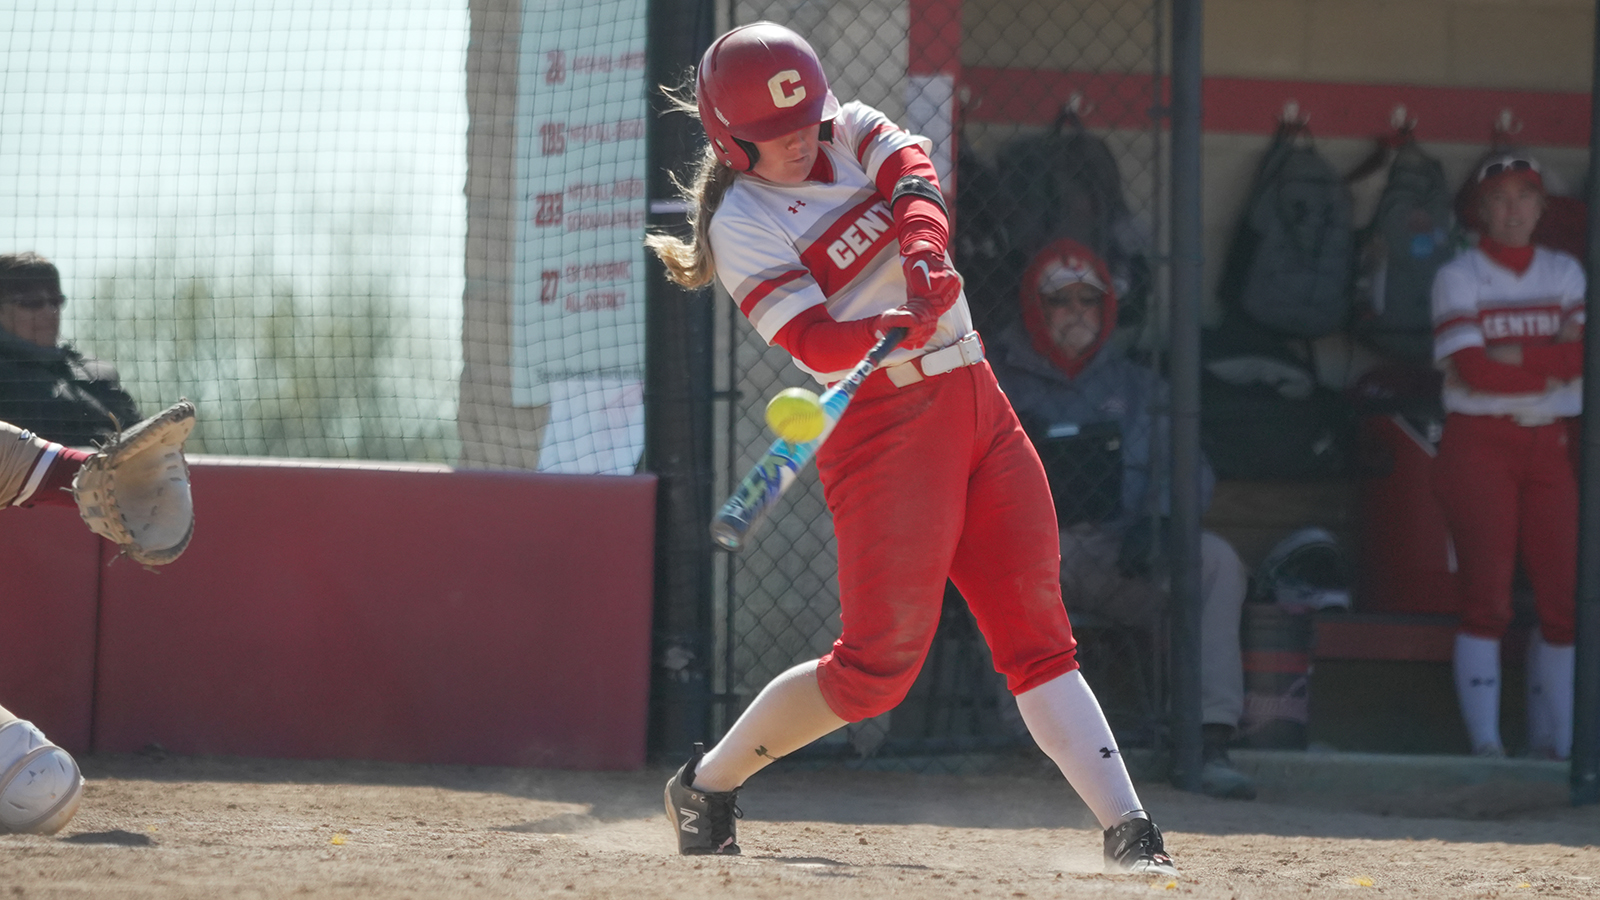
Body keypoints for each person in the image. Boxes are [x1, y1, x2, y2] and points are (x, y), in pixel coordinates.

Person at [643, 22, 1178, 876]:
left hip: (977, 399)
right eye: (770, 137)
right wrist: (888, 325)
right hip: (883, 430)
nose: (798, 143)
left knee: (1038, 634)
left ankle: (1130, 829)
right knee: (874, 671)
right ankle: (706, 785)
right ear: (727, 139)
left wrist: (924, 252)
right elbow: (816, 341)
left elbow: (915, 179)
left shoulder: (849, 126)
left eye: (804, 124)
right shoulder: (739, 224)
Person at [987, 238, 1255, 801]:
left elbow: (1191, 470)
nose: (1078, 311)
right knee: (1001, 565)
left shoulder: (1137, 384)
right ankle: (1027, 746)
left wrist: (1156, 521)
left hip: (1119, 553)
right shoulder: (994, 380)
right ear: (1036, 309)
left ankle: (1206, 738)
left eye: (1090, 299)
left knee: (1214, 561)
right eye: (1062, 301)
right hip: (1033, 554)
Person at [1431, 152, 1582, 760]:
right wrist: (1544, 360)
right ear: (1481, 209)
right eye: (1500, 198)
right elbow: (1470, 370)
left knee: (1563, 599)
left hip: (1550, 441)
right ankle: (1487, 747)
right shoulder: (1458, 274)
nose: (1514, 210)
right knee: (1486, 596)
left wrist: (1508, 359)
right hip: (1479, 441)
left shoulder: (1567, 271)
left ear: (1543, 206)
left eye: (1526, 196)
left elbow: (1580, 362)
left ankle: (1559, 748)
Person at [0, 252, 141, 447]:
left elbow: (144, 441)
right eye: (32, 302)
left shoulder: (98, 374)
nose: (49, 311)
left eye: (55, 301)